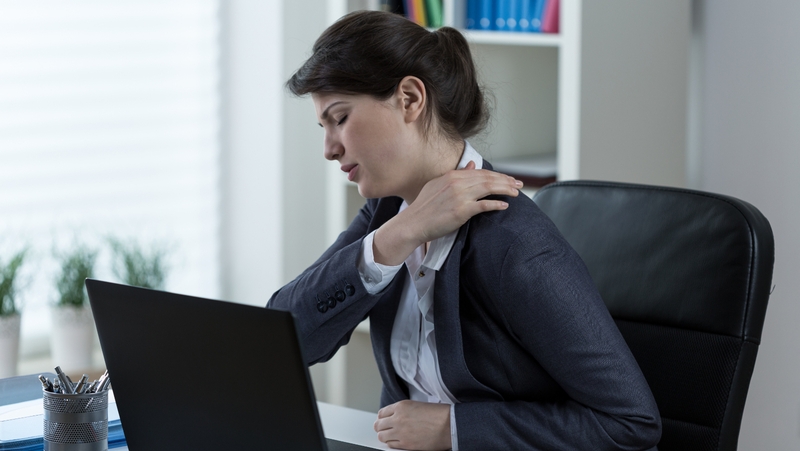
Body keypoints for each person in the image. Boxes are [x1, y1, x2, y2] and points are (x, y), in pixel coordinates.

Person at [268, 10, 661, 451]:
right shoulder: (389, 215)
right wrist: (401, 234)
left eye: (339, 118)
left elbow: (632, 425)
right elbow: (285, 340)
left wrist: (451, 428)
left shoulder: (516, 245)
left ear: (410, 99)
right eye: (323, 127)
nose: (329, 148)